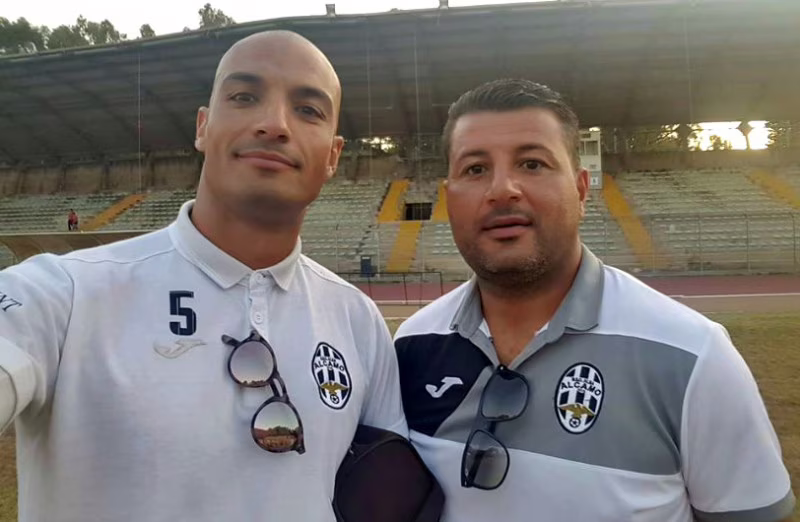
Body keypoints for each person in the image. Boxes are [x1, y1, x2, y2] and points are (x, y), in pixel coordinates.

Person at [0, 30, 407, 522]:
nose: (274, 124)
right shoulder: (64, 293)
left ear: (334, 156)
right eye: (244, 97)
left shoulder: (358, 319)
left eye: (308, 109)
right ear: (203, 126)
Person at [394, 78, 794, 522]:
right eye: (474, 169)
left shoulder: (692, 353)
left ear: (582, 189)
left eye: (532, 163)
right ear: (448, 198)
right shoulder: (410, 346)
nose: (502, 189)